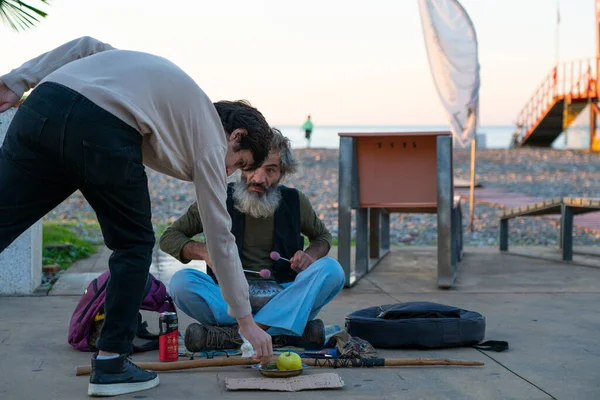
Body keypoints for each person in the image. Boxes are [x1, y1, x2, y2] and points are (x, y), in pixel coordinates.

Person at [0, 36, 274, 397]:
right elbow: (220, 235)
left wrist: (15, 82)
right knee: (134, 245)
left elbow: (85, 45)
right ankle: (111, 364)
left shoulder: (155, 85)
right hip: (102, 130)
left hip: (42, 107)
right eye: (237, 163)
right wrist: (246, 322)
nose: (226, 173)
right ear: (236, 136)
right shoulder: (210, 135)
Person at [159, 129, 345, 351]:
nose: (259, 178)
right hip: (229, 297)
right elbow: (169, 237)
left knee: (332, 270)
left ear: (282, 173)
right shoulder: (217, 199)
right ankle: (280, 332)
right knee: (182, 282)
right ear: (242, 165)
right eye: (253, 168)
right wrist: (204, 252)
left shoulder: (295, 201)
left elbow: (322, 237)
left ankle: (242, 333)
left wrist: (310, 255)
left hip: (283, 295)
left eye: (270, 170)